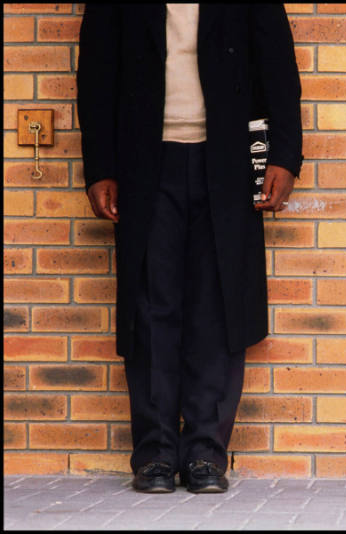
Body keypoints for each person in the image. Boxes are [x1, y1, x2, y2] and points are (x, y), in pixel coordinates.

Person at [77, 4, 302, 493]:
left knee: (218, 305)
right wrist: (99, 166)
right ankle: (155, 454)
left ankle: (205, 454)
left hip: (227, 161)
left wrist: (285, 156)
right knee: (150, 306)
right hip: (143, 163)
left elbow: (278, 65)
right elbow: (95, 72)